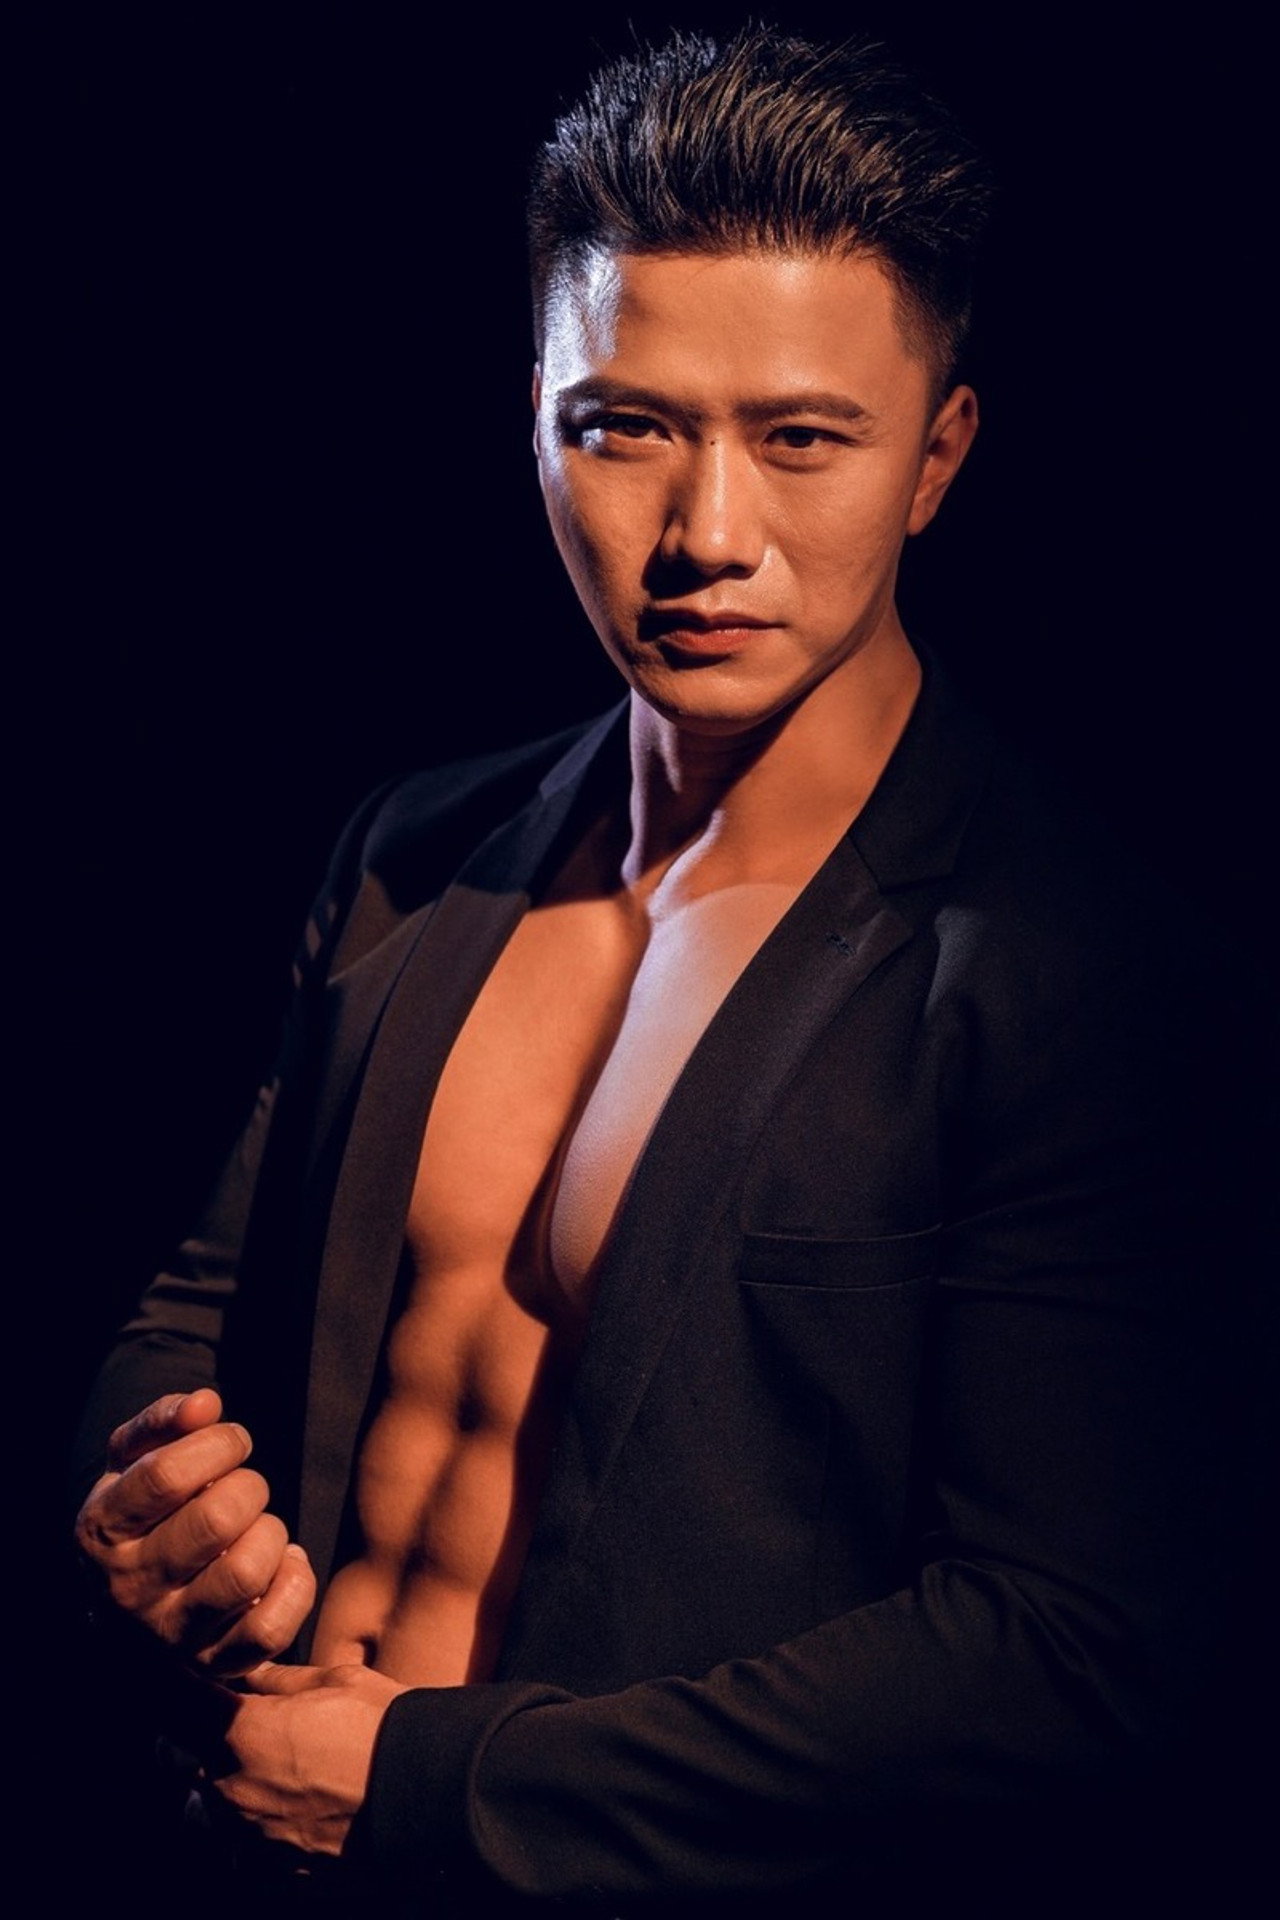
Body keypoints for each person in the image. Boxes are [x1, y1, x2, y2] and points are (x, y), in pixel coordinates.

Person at [72, 24, 1264, 1915]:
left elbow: (1065, 1650)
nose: (708, 536)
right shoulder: (417, 852)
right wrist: (146, 1498)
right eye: (625, 428)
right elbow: (198, 1309)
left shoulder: (1072, 982)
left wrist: (431, 1787)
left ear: (938, 456)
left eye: (802, 439)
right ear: (537, 419)